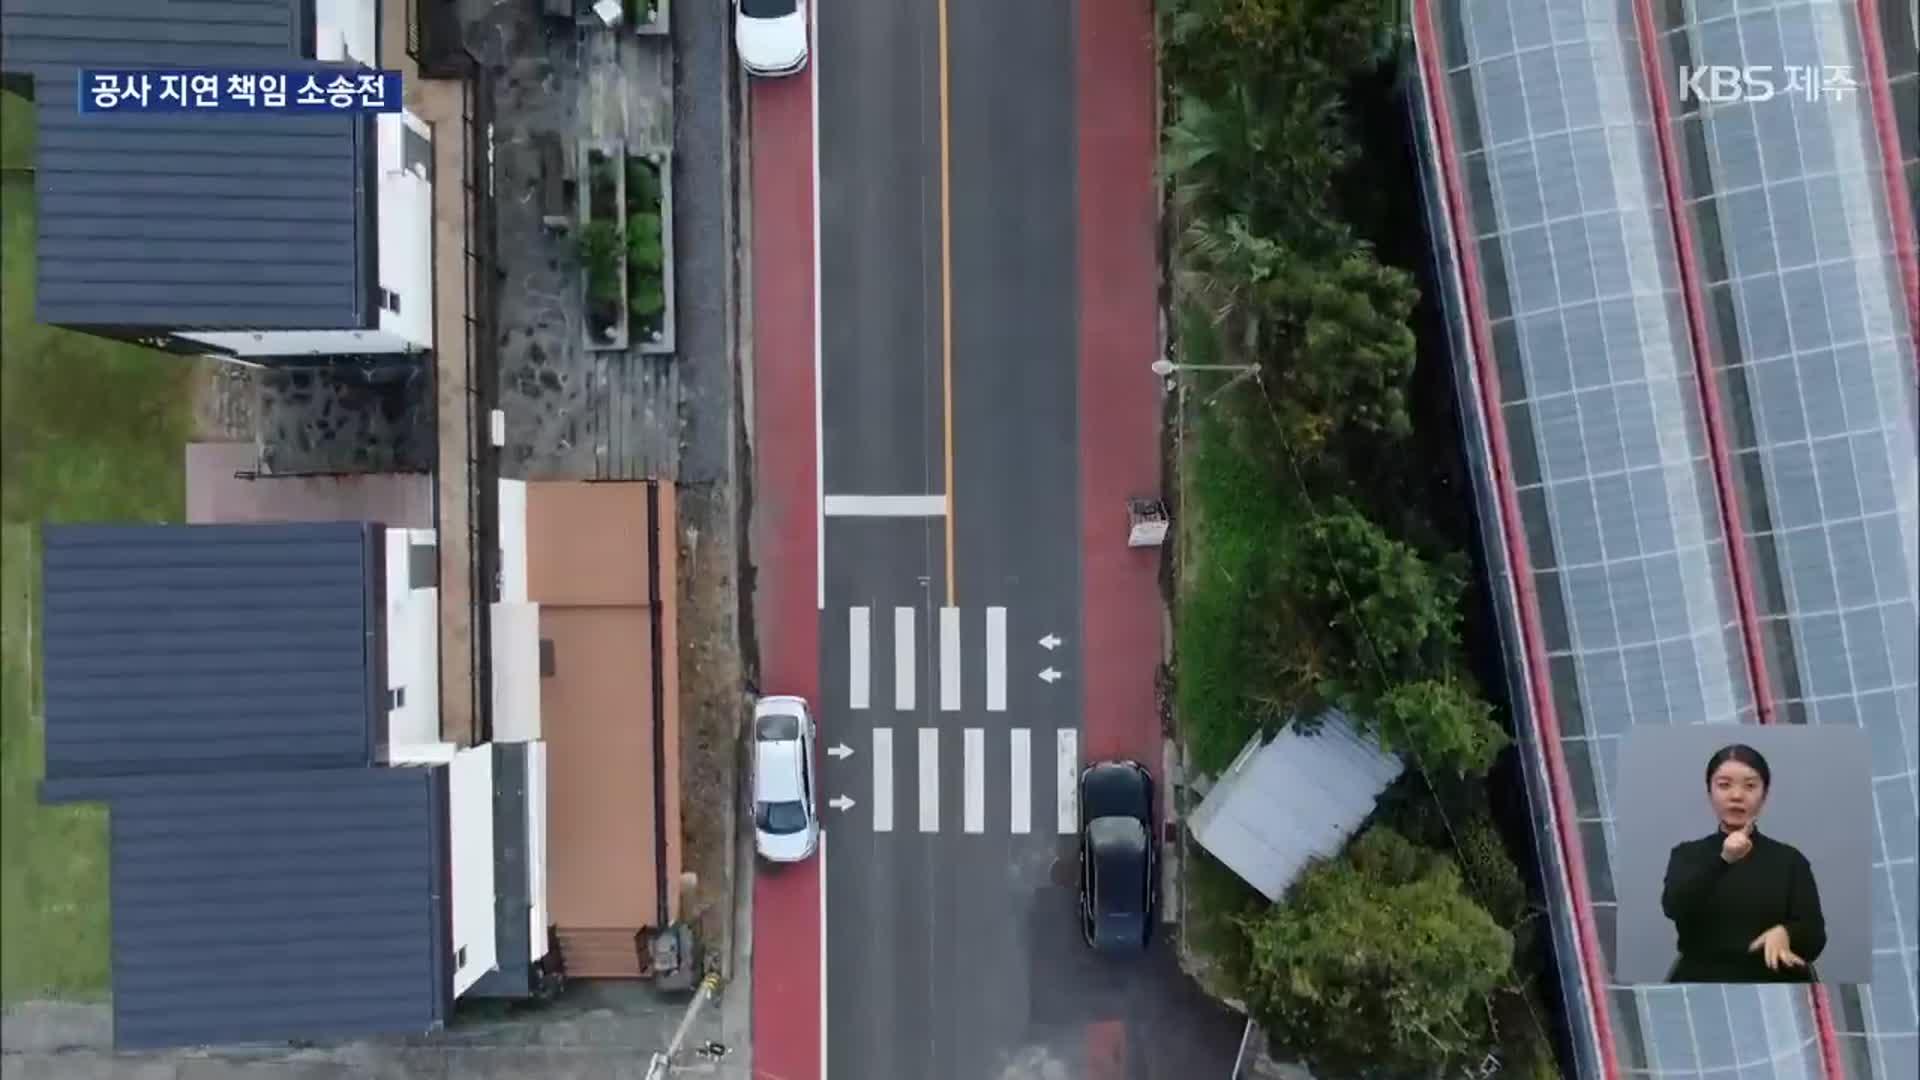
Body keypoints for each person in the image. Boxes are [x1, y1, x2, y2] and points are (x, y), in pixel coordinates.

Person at [1661, 743, 1826, 983]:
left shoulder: (1790, 860)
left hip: (1776, 981)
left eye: (1750, 786)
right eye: (1724, 785)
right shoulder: (1687, 854)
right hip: (1702, 980)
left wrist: (1787, 933)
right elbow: (1674, 907)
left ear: (1764, 794)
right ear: (1709, 792)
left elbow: (1815, 936)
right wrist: (1723, 860)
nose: (1736, 796)